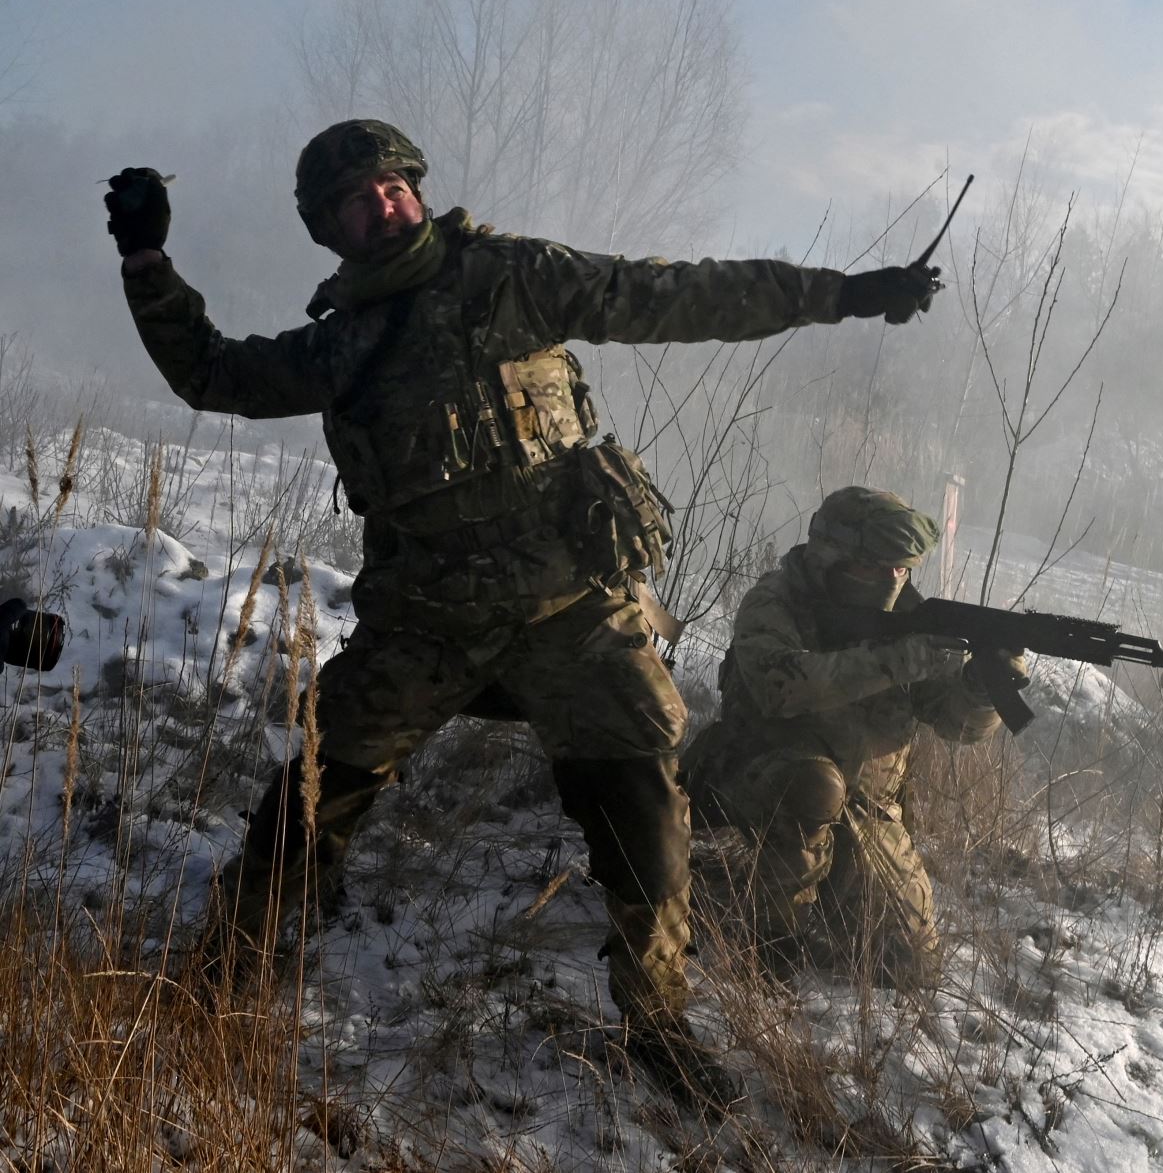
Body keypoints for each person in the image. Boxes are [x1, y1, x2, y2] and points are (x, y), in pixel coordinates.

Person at [102, 121, 942, 1105]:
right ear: (331, 230)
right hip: (428, 618)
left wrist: (844, 294)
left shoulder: (510, 278)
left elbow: (676, 296)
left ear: (414, 187)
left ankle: (656, 1017)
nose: (380, 205)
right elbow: (214, 374)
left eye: (390, 187)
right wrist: (147, 262)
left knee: (645, 811)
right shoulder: (342, 344)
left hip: (571, 610)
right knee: (312, 793)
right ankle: (219, 967)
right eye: (354, 202)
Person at [681, 487, 1022, 987]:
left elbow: (956, 723)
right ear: (829, 559)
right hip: (755, 773)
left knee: (909, 965)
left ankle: (806, 887)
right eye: (874, 568)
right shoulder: (776, 602)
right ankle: (770, 948)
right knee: (812, 785)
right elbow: (781, 689)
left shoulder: (911, 619)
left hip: (864, 805)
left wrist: (986, 688)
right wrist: (897, 660)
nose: (890, 582)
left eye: (900, 570)